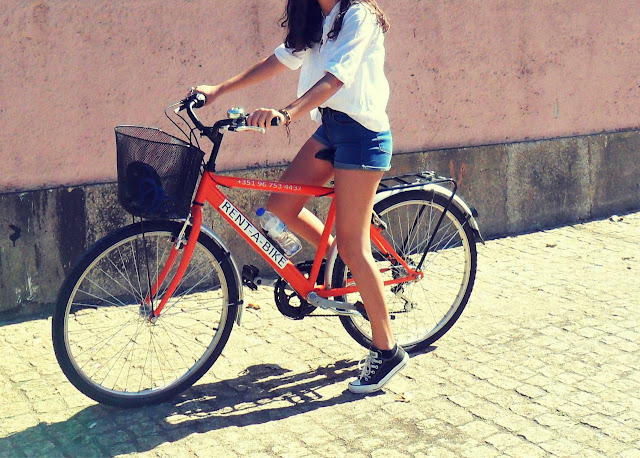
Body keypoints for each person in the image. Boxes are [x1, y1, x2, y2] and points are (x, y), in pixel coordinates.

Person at [191, 0, 408, 394]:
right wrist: (218, 90)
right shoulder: (315, 15)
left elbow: (336, 78)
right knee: (278, 209)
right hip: (331, 129)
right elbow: (280, 59)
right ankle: (337, 260)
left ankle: (387, 350)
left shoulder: (358, 14)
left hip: (364, 136)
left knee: (354, 247)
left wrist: (287, 112)